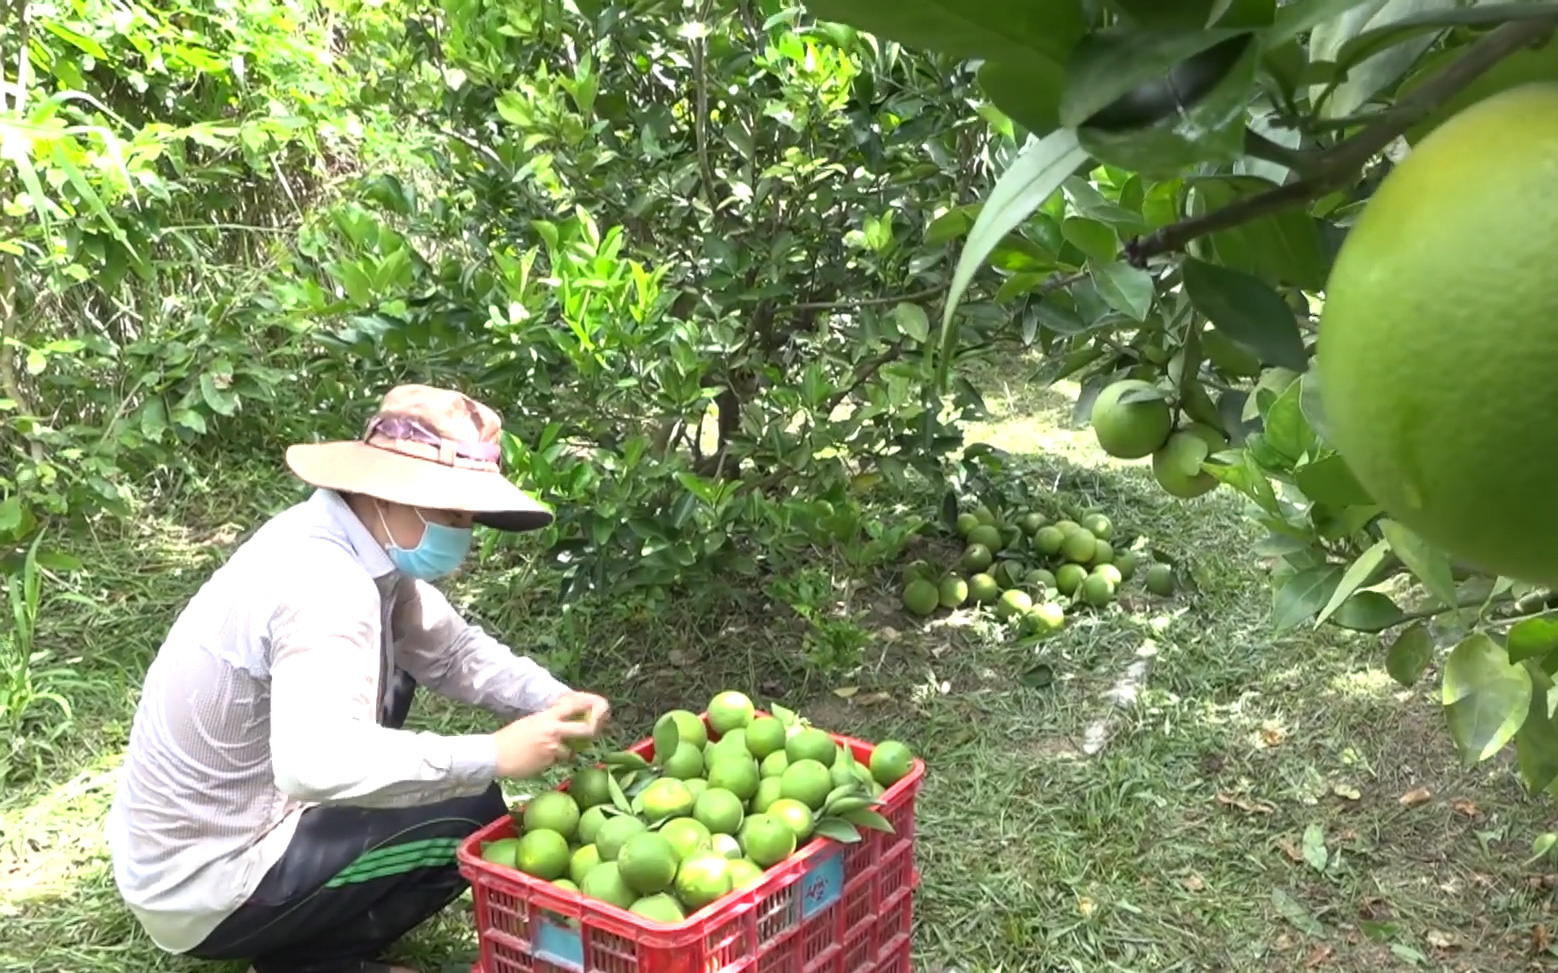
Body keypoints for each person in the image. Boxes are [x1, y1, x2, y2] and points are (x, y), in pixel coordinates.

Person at [106, 384, 611, 973]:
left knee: (394, 683)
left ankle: (306, 935)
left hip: (224, 823)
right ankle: (314, 961)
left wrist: (549, 697)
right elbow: (312, 764)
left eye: (467, 517)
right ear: (387, 491)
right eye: (450, 512)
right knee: (467, 816)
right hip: (207, 882)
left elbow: (448, 650)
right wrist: (492, 755)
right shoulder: (326, 584)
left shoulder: (356, 543)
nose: (463, 533)